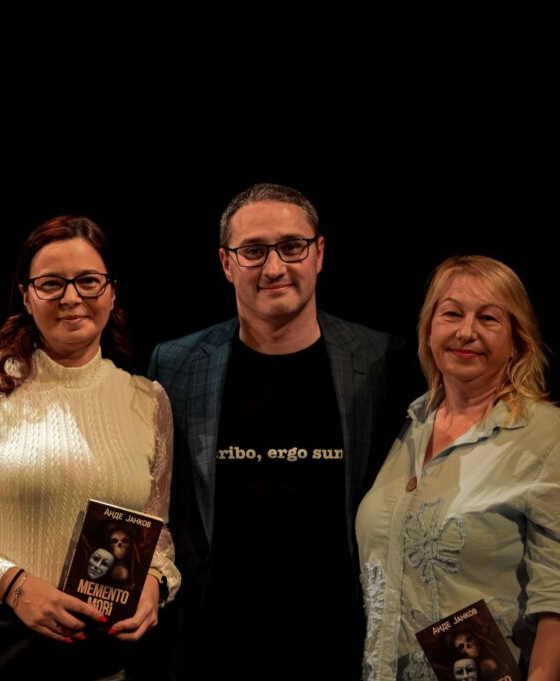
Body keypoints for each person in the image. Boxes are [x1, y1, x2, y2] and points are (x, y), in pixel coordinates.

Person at [146, 183, 412, 679]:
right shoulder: (177, 365)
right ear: (226, 263)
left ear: (319, 254)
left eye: (292, 247)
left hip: (342, 643)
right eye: (253, 251)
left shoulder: (383, 360)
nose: (274, 268)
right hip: (213, 645)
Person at [0, 216, 180, 680]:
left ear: (111, 291)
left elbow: (156, 529)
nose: (71, 297)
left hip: (100, 663)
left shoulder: (148, 402)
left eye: (88, 281)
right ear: (27, 297)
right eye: (51, 284)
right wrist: (14, 585)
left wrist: (153, 579)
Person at [357, 255, 560, 680]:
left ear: (518, 342)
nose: (466, 331)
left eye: (489, 318)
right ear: (429, 330)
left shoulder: (553, 439)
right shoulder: (408, 431)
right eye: (452, 314)